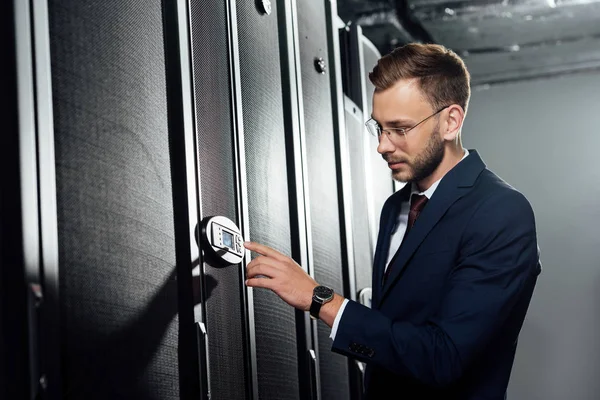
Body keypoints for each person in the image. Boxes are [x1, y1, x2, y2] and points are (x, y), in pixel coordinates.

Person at [244, 42, 541, 399]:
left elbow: (442, 358)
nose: (382, 146)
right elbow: (395, 330)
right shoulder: (395, 207)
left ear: (451, 121)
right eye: (379, 128)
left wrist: (319, 299)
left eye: (399, 129)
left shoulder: (501, 211)